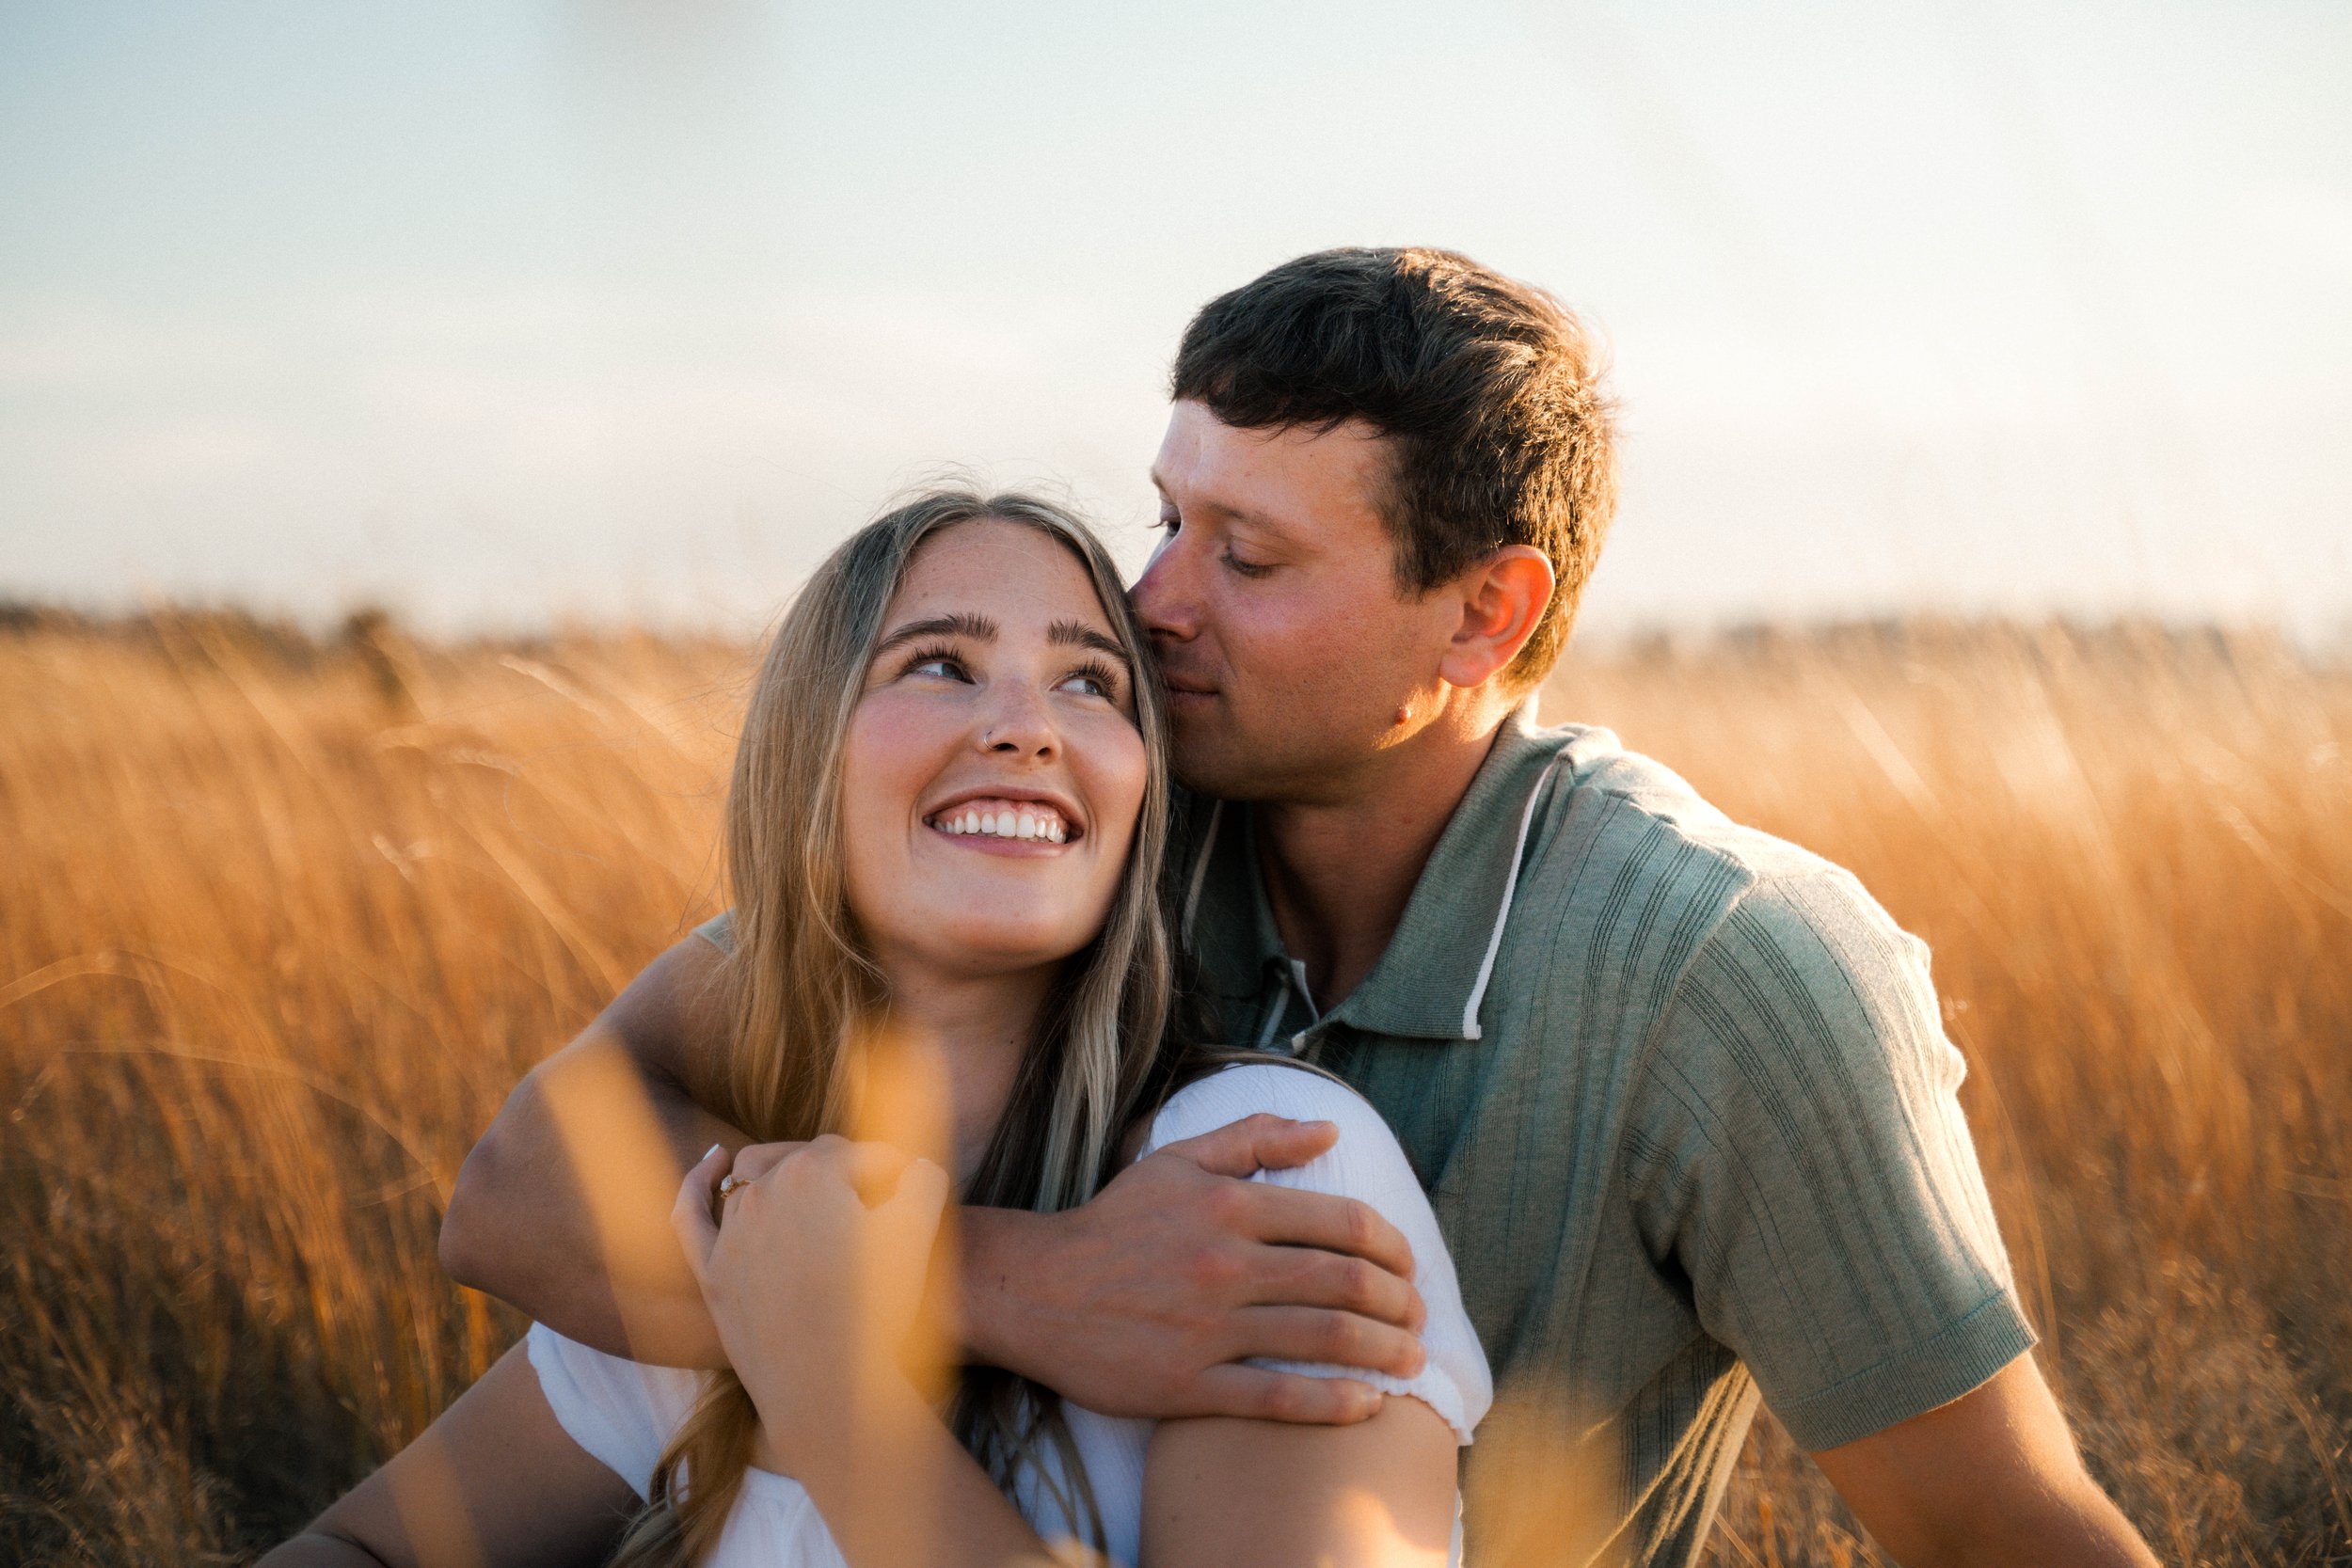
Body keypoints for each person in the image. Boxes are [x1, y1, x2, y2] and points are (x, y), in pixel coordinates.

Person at [441, 249, 2159, 1567]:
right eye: (1166, 515)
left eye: (1246, 560)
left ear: (1482, 618)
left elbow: (1999, 1528)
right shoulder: (1089, 820)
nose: (1149, 602)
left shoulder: (1731, 972)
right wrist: (1012, 1284)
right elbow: (519, 1189)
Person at [265, 490, 1492, 1568]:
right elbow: (364, 1542)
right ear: (810, 763)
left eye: (1090, 682)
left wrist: (829, 1385)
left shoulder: (1256, 1169)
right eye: (941, 665)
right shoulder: (743, 1189)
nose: (1029, 724)